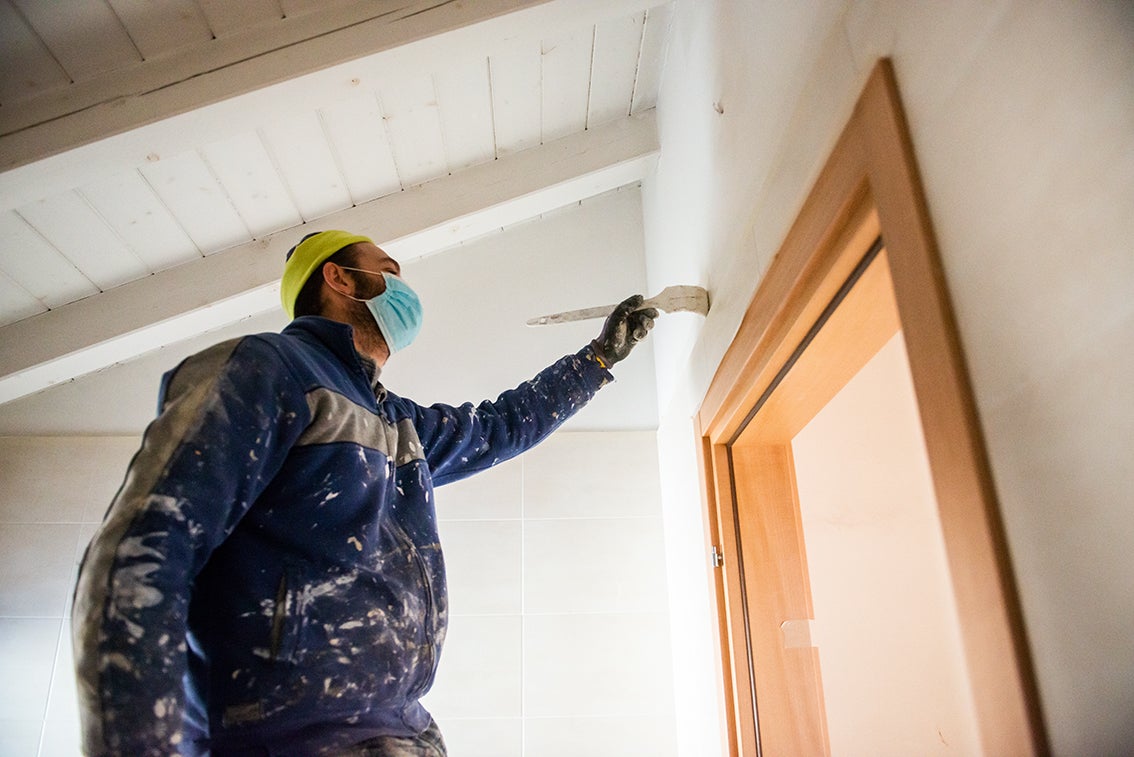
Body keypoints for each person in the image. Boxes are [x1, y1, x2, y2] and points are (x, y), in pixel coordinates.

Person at [72, 230, 657, 756]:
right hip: (285, 739)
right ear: (339, 277)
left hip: (404, 731)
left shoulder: (398, 422)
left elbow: (501, 426)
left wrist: (598, 359)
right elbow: (141, 550)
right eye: (390, 268)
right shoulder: (267, 369)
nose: (405, 287)